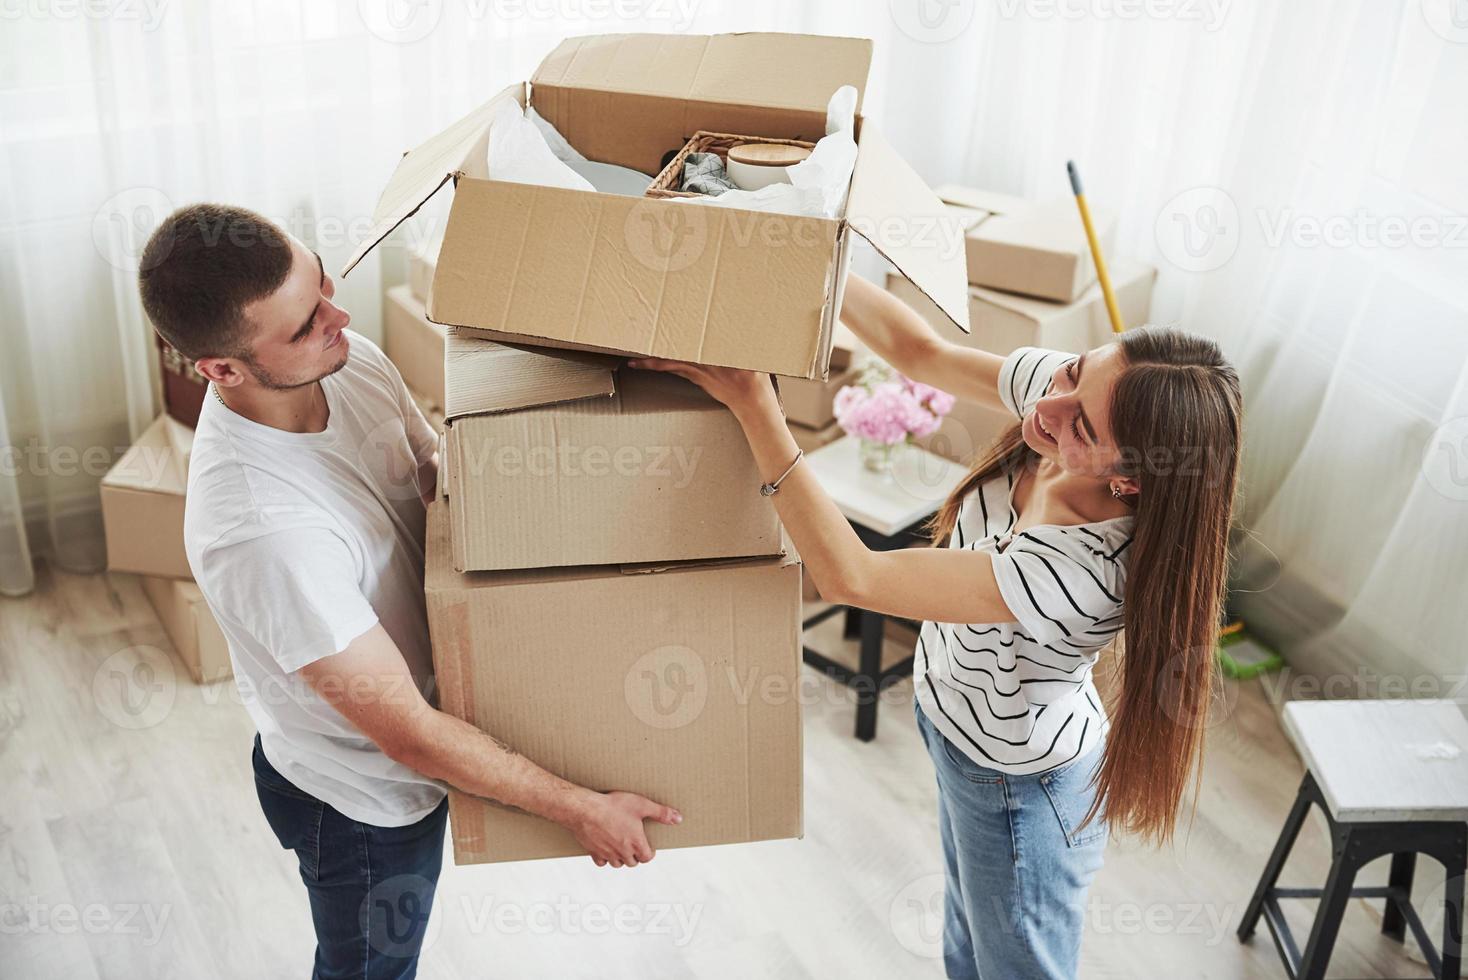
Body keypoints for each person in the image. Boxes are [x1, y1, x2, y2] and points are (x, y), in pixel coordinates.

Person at [631, 272, 1242, 980]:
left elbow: (851, 577)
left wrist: (751, 401)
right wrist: (816, 247)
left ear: (1130, 480)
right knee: (966, 946)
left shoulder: (1080, 569)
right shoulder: (1072, 399)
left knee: (1013, 967)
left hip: (1018, 785)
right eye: (1073, 370)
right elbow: (914, 348)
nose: (1048, 404)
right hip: (956, 726)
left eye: (1083, 425)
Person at [137, 204, 680, 980]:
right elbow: (409, 737)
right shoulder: (262, 532)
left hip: (424, 735)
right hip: (360, 803)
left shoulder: (344, 357)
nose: (340, 315)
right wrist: (583, 808)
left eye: (322, 282)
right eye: (303, 325)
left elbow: (434, 480)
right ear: (221, 369)